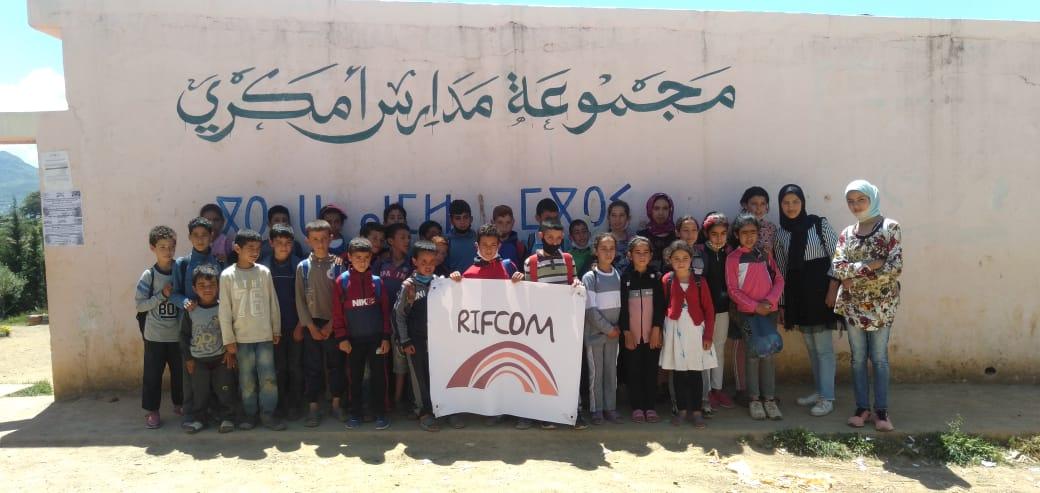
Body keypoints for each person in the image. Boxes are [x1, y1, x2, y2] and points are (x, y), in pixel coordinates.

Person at [833, 180, 902, 432]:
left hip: (881, 306)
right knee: (858, 359)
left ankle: (881, 411)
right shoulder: (847, 233)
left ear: (872, 198)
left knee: (880, 359)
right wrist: (872, 265)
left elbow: (894, 268)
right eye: (850, 201)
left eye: (861, 199)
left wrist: (854, 276)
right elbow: (838, 268)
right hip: (853, 307)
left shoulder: (889, 228)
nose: (856, 205)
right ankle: (862, 408)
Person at [449, 223, 525, 428]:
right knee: (483, 371)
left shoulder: (509, 267)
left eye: (493, 245)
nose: (489, 249)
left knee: (504, 371)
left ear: (499, 245)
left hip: (505, 331)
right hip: (479, 334)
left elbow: (520, 296)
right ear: (477, 246)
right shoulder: (468, 273)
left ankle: (503, 410)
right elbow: (460, 304)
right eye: (484, 245)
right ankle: (482, 408)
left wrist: (519, 281)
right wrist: (454, 282)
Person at [774, 184, 840, 418]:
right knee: (812, 347)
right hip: (798, 294)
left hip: (820, 292)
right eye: (786, 202)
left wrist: (832, 289)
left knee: (823, 348)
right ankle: (820, 390)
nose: (791, 207)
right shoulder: (781, 233)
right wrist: (783, 304)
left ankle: (827, 398)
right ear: (780, 205)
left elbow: (838, 256)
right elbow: (781, 269)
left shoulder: (819, 224)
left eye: (795, 201)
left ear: (803, 203)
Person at [219, 229, 285, 431]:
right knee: (246, 380)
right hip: (242, 339)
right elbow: (224, 310)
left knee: (268, 378)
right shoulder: (227, 276)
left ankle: (268, 414)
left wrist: (276, 329)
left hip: (264, 336)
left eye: (258, 248)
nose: (255, 252)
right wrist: (228, 340)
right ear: (237, 248)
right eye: (250, 248)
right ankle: (249, 414)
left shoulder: (264, 272)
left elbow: (273, 302)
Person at [524, 221, 586, 430]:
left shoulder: (568, 259)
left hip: (566, 325)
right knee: (544, 369)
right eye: (550, 238)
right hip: (541, 327)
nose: (554, 242)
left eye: (558, 238)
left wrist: (576, 283)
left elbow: (574, 281)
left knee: (569, 368)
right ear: (541, 236)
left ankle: (574, 411)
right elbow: (527, 294)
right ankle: (546, 412)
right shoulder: (531, 262)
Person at [727, 213, 785, 421]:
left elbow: (779, 280)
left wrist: (769, 302)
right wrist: (754, 306)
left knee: (768, 354)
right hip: (747, 315)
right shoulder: (733, 258)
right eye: (744, 233)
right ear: (737, 235)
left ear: (758, 234)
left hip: (769, 312)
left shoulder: (765, 255)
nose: (749, 236)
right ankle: (754, 399)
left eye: (753, 232)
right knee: (752, 354)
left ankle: (769, 398)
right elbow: (733, 290)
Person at [333, 237, 393, 431]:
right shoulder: (342, 282)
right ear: (349, 257)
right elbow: (337, 313)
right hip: (353, 341)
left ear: (371, 258)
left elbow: (385, 312)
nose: (362, 261)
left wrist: (386, 337)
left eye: (366, 258)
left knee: (379, 377)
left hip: (376, 339)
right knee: (355, 378)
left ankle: (380, 413)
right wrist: (342, 338)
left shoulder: (377, 282)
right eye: (358, 257)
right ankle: (355, 413)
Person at [169, 217, 223, 425]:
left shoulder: (218, 262)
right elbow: (174, 293)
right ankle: (191, 414)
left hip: (215, 325)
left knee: (217, 373)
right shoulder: (182, 264)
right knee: (190, 371)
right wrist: (184, 302)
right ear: (189, 237)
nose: (200, 239)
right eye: (196, 235)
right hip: (191, 326)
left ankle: (216, 412)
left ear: (212, 237)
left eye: (204, 235)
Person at [295, 219, 347, 427]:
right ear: (308, 241)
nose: (320, 243)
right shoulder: (303, 267)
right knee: (313, 367)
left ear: (331, 239)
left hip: (334, 323)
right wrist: (309, 326)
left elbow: (343, 297)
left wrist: (332, 324)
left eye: (324, 239)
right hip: (312, 324)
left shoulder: (339, 264)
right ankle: (313, 407)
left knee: (336, 365)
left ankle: (336, 404)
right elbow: (299, 299)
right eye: (315, 239)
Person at [659, 241, 717, 428]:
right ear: (670, 260)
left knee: (695, 372)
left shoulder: (700, 281)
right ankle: (682, 410)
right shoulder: (667, 280)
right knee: (679, 373)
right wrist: (661, 333)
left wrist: (708, 335)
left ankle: (697, 411)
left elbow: (709, 310)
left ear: (691, 259)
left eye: (685, 258)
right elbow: (662, 307)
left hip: (695, 331)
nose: (681, 262)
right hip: (674, 331)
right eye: (676, 259)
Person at [179, 264, 237, 434]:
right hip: (198, 361)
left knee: (225, 389)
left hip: (221, 359)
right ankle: (199, 419)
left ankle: (227, 417)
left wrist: (230, 352)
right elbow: (183, 336)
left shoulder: (223, 308)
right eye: (202, 285)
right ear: (194, 288)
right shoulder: (191, 311)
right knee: (200, 392)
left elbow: (232, 330)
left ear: (218, 286)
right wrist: (188, 359)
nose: (207, 289)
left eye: (212, 285)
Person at [136, 225, 183, 429]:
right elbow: (140, 305)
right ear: (152, 248)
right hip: (154, 335)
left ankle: (180, 404)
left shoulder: (180, 271)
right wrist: (161, 295)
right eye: (162, 246)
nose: (167, 251)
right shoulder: (149, 275)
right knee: (152, 376)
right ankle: (152, 411)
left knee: (180, 374)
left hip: (177, 335)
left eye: (171, 246)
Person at [394, 240, 441, 431]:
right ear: (414, 261)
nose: (428, 265)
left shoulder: (440, 283)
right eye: (423, 262)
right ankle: (423, 412)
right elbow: (399, 315)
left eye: (432, 261)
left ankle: (437, 408)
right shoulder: (409, 286)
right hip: (415, 341)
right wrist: (405, 341)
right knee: (418, 376)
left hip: (436, 341)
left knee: (435, 376)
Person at [259, 223, 305, 421]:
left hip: (295, 327)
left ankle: (295, 405)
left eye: (288, 243)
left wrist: (301, 325)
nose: (284, 247)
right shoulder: (263, 268)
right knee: (277, 368)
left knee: (295, 367)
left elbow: (306, 299)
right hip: (272, 329)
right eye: (279, 243)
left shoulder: (300, 266)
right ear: (271, 243)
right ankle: (278, 405)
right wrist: (268, 327)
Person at [618, 236, 665, 423]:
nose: (642, 256)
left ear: (652, 255)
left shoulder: (656, 277)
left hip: (651, 334)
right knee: (634, 370)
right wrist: (626, 332)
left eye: (646, 252)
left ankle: (650, 407)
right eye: (637, 252)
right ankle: (637, 407)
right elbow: (622, 307)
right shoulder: (624, 277)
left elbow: (660, 305)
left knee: (651, 370)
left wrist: (657, 328)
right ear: (630, 255)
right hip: (632, 335)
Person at [582, 233, 623, 425]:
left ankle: (610, 407)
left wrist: (617, 328)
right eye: (603, 249)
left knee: (611, 372)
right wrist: (608, 328)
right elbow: (590, 310)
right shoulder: (590, 277)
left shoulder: (618, 275)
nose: (608, 253)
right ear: (596, 251)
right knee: (596, 374)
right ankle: (596, 409)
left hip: (614, 336)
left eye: (611, 248)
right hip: (595, 336)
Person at [697, 212, 737, 410]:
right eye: (714, 234)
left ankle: (717, 389)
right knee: (705, 348)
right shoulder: (699, 252)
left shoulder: (730, 252)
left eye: (723, 233)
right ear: (706, 234)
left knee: (719, 348)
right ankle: (705, 391)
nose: (719, 238)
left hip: (722, 309)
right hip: (703, 309)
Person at [375, 223, 415, 414]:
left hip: (401, 322)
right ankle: (382, 399)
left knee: (400, 364)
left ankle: (398, 400)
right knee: (382, 362)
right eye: (402, 237)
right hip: (380, 320)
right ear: (390, 241)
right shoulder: (381, 263)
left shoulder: (410, 265)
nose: (407, 241)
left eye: (409, 237)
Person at [636, 193, 677, 273]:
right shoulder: (641, 237)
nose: (661, 212)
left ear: (670, 210)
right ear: (650, 210)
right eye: (656, 208)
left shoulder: (676, 237)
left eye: (665, 208)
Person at [739, 187, 777, 255]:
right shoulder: (738, 226)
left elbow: (773, 253)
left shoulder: (771, 228)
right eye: (754, 204)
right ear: (745, 205)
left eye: (763, 204)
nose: (759, 208)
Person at [445, 199, 477, 273]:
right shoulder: (446, 241)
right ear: (451, 220)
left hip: (476, 279)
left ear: (471, 219)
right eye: (458, 218)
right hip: (453, 280)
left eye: (465, 217)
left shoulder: (478, 238)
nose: (462, 222)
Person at [606, 200, 634, 272]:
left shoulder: (635, 241)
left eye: (621, 215)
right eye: (613, 215)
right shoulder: (602, 241)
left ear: (628, 218)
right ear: (608, 218)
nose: (617, 219)